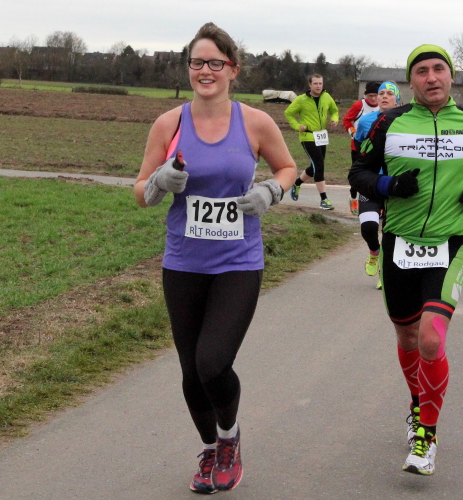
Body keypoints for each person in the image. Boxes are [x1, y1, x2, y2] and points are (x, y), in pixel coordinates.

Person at [133, 22, 296, 494]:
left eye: (215, 63)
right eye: (197, 62)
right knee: (190, 371)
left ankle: (229, 438)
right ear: (188, 68)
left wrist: (269, 191)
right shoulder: (168, 124)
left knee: (213, 362)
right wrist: (159, 181)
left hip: (238, 262)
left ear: (232, 69)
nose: (205, 71)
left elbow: (287, 167)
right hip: (183, 262)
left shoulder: (255, 122)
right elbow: (140, 192)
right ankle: (210, 450)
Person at [348, 44, 463, 476]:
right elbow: (358, 173)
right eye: (421, 71)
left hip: (450, 243)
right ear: (410, 81)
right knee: (409, 337)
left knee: (431, 338)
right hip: (399, 243)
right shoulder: (388, 122)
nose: (431, 77)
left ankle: (426, 437)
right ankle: (418, 404)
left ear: (450, 75)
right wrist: (389, 186)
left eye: (438, 69)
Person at [352, 81, 401, 289]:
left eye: (390, 93)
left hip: (394, 184)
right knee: (368, 227)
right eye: (381, 93)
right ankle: (374, 251)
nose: (384, 96)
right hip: (371, 182)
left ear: (397, 99)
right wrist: (356, 179)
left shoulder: (404, 121)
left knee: (390, 232)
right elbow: (357, 149)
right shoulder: (365, 121)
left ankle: (384, 270)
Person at [284, 74, 340, 210]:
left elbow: (334, 111)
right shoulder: (301, 100)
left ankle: (297, 183)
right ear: (310, 85)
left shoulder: (327, 97)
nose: (318, 86)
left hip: (321, 136)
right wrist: (297, 126)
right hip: (307, 136)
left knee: (315, 166)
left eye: (320, 83)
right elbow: (288, 113)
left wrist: (335, 119)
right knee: (319, 165)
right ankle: (324, 199)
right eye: (315, 83)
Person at [343, 81, 380, 214]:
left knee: (373, 174)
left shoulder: (382, 106)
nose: (374, 99)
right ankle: (353, 196)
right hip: (357, 146)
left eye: (376, 95)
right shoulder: (359, 105)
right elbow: (347, 120)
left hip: (375, 146)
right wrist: (353, 132)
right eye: (370, 96)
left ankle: (370, 202)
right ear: (365, 95)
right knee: (357, 173)